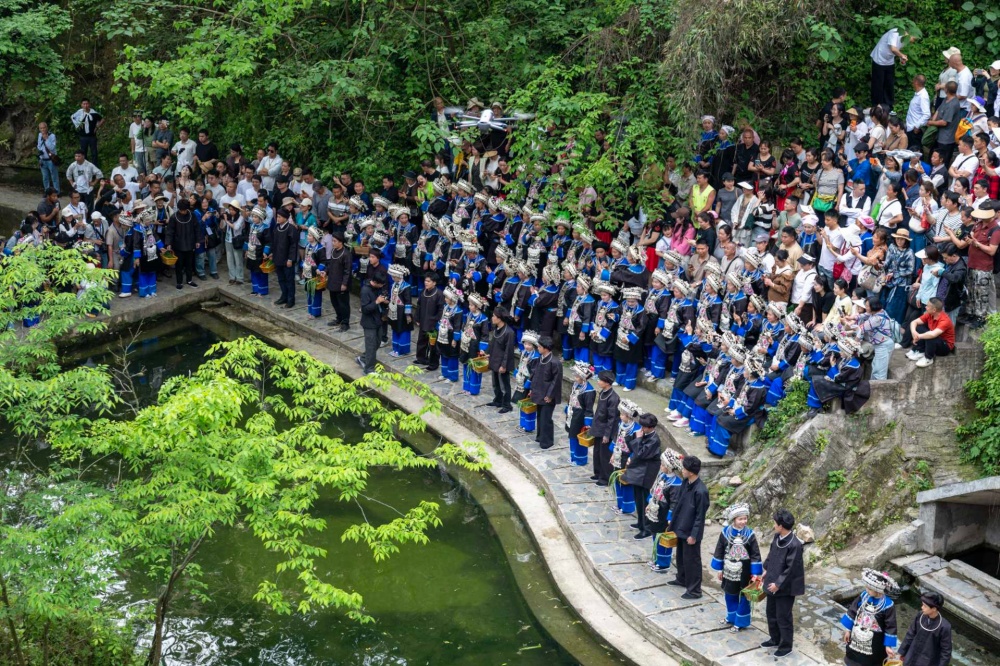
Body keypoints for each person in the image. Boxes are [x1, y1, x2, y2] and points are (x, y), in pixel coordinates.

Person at [710, 503, 763, 633]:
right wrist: (720, 569)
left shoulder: (750, 534)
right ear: (733, 519)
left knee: (744, 597)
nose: (743, 521)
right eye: (740, 519)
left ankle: (740, 622)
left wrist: (755, 573)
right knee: (729, 594)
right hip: (729, 570)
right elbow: (720, 550)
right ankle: (731, 617)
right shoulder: (725, 532)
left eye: (745, 518)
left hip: (745, 572)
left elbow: (755, 554)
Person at [760, 508, 805, 658]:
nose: (773, 525)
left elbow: (791, 569)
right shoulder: (777, 537)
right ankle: (775, 639)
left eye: (775, 523)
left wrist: (778, 584)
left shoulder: (795, 545)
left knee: (783, 616)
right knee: (771, 613)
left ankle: (786, 646)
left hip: (786, 587)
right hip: (772, 581)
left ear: (781, 526)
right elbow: (771, 555)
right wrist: (766, 570)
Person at [667, 455, 709, 599]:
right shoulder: (686, 482)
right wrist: (672, 523)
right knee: (681, 557)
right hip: (681, 527)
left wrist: (694, 535)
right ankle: (682, 578)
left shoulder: (701, 491)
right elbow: (679, 504)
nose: (682, 470)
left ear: (690, 472)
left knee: (692, 561)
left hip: (691, 531)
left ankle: (695, 590)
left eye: (684, 469)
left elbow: (700, 516)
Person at [841, 569, 899, 666]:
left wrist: (888, 646)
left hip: (875, 642)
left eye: (870, 589)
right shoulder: (864, 596)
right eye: (867, 587)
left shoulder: (888, 605)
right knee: (853, 657)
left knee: (871, 661)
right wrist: (848, 630)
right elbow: (853, 611)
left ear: (878, 590)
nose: (867, 590)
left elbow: (890, 627)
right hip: (857, 635)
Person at [644, 449, 684, 573]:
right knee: (655, 536)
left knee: (663, 538)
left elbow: (674, 503)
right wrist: (650, 502)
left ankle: (663, 563)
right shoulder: (662, 476)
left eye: (663, 464)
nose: (661, 466)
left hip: (664, 514)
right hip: (656, 511)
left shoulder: (676, 484)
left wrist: (670, 519)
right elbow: (654, 490)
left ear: (669, 467)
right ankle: (656, 558)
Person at [623, 413, 661, 538]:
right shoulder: (644, 434)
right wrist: (631, 436)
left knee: (644, 501)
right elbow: (633, 449)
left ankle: (646, 528)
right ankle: (640, 522)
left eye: (644, 427)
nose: (642, 429)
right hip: (639, 471)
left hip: (647, 474)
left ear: (650, 427)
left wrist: (638, 439)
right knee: (638, 499)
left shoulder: (654, 440)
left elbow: (641, 453)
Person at [898, 591, 952, 666]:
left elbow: (946, 651)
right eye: (922, 604)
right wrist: (903, 652)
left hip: (928, 662)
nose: (922, 607)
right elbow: (910, 634)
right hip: (911, 656)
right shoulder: (920, 615)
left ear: (934, 608)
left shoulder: (944, 627)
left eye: (925, 606)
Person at [528, 336, 562, 449]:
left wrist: (550, 395)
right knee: (540, 416)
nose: (538, 348)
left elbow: (556, 381)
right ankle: (540, 437)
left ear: (546, 348)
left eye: (539, 346)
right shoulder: (540, 359)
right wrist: (532, 389)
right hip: (539, 392)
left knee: (546, 418)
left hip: (547, 395)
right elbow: (535, 375)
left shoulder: (555, 362)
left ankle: (547, 441)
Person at [590, 370, 620, 485]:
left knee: (604, 455)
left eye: (600, 380)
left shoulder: (613, 398)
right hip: (598, 427)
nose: (598, 381)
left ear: (607, 382)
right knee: (597, 452)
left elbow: (612, 418)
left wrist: (607, 435)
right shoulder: (603, 392)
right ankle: (598, 473)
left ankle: (605, 478)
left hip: (606, 430)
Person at [165, 198, 202, 289]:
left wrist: (198, 240)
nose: (183, 212)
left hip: (190, 243)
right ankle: (179, 282)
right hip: (178, 245)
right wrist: (168, 243)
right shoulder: (174, 217)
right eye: (182, 210)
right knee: (179, 264)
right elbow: (170, 231)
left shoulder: (192, 215)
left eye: (185, 210)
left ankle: (189, 280)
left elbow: (197, 228)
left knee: (189, 264)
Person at [906, 297, 955, 368]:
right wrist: (914, 333)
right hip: (934, 341)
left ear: (934, 310)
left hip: (945, 347)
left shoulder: (944, 320)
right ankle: (921, 351)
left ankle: (928, 358)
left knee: (930, 336)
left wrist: (918, 336)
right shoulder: (930, 314)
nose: (925, 307)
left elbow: (933, 334)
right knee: (918, 327)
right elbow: (914, 322)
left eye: (928, 306)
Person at [870, 27, 911, 108]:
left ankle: (888, 107)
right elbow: (893, 49)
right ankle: (877, 106)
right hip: (879, 59)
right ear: (909, 33)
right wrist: (902, 55)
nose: (913, 41)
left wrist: (901, 58)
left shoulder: (905, 40)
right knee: (878, 84)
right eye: (914, 38)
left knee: (889, 84)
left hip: (889, 61)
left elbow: (897, 50)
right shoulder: (894, 32)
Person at [565, 362, 596, 466]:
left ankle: (580, 459)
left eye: (577, 376)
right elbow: (571, 397)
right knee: (572, 436)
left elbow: (589, 408)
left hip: (580, 417)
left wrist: (587, 423)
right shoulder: (576, 385)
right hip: (573, 414)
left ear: (583, 377)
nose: (575, 377)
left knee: (579, 437)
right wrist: (568, 408)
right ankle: (573, 457)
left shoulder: (589, 391)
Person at [487, 305, 516, 412]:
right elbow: (493, 343)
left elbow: (508, 351)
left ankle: (507, 405)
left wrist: (504, 365)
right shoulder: (496, 329)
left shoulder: (509, 332)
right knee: (495, 383)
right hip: (495, 359)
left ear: (499, 318)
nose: (492, 318)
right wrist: (488, 353)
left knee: (504, 385)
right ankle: (498, 400)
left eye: (494, 316)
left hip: (502, 363)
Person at [357, 273, 387, 375]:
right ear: (376, 282)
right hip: (369, 322)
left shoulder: (377, 288)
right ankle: (369, 369)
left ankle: (363, 358)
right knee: (370, 345)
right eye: (381, 284)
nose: (382, 286)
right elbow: (365, 309)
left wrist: (383, 301)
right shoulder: (365, 290)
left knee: (377, 343)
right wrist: (377, 302)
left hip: (378, 320)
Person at [416, 273, 445, 372]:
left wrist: (436, 321)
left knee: (433, 345)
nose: (426, 283)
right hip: (423, 320)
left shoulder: (439, 294)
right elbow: (419, 305)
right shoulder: (423, 292)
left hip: (433, 323)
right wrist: (418, 318)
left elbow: (441, 310)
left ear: (434, 283)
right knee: (421, 341)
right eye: (425, 281)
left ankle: (433, 363)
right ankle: (421, 358)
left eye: (428, 281)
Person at [271, 208, 297, 308]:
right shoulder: (277, 227)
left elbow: (293, 245)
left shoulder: (291, 229)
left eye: (280, 217)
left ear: (285, 218)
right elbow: (274, 242)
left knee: (289, 280)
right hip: (278, 257)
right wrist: (272, 253)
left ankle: (291, 299)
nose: (278, 218)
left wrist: (290, 259)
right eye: (277, 216)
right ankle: (284, 296)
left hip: (287, 260)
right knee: (281, 279)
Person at [325, 232, 352, 330]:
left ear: (341, 242)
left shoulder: (346, 254)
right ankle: (339, 318)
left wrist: (344, 283)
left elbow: (347, 270)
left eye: (335, 241)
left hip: (341, 283)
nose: (333, 243)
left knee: (343, 304)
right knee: (334, 302)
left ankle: (345, 322)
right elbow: (330, 264)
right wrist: (325, 272)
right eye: (332, 241)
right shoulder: (333, 251)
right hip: (333, 281)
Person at [386, 263, 413, 355]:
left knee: (402, 329)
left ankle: (402, 349)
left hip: (402, 312)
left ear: (399, 276)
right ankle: (395, 348)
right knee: (395, 328)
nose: (393, 278)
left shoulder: (406, 287)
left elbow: (408, 301)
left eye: (394, 277)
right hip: (394, 310)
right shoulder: (394, 284)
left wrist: (408, 315)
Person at [70, 99, 103, 167]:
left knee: (94, 152)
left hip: (92, 136)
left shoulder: (93, 113)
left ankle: (95, 167)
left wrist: (97, 127)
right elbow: (73, 117)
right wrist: (77, 125)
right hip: (83, 136)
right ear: (81, 105)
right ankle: (85, 166)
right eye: (84, 104)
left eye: (87, 104)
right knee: (83, 153)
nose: (85, 105)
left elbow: (102, 119)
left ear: (89, 104)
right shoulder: (79, 113)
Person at [37, 122, 59, 194]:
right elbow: (39, 146)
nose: (43, 129)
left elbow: (52, 148)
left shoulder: (52, 136)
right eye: (41, 128)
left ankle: (56, 192)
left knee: (54, 177)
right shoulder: (39, 135)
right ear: (39, 129)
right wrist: (40, 155)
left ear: (47, 128)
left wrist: (46, 139)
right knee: (45, 178)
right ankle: (47, 192)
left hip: (51, 160)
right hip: (43, 159)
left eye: (44, 128)